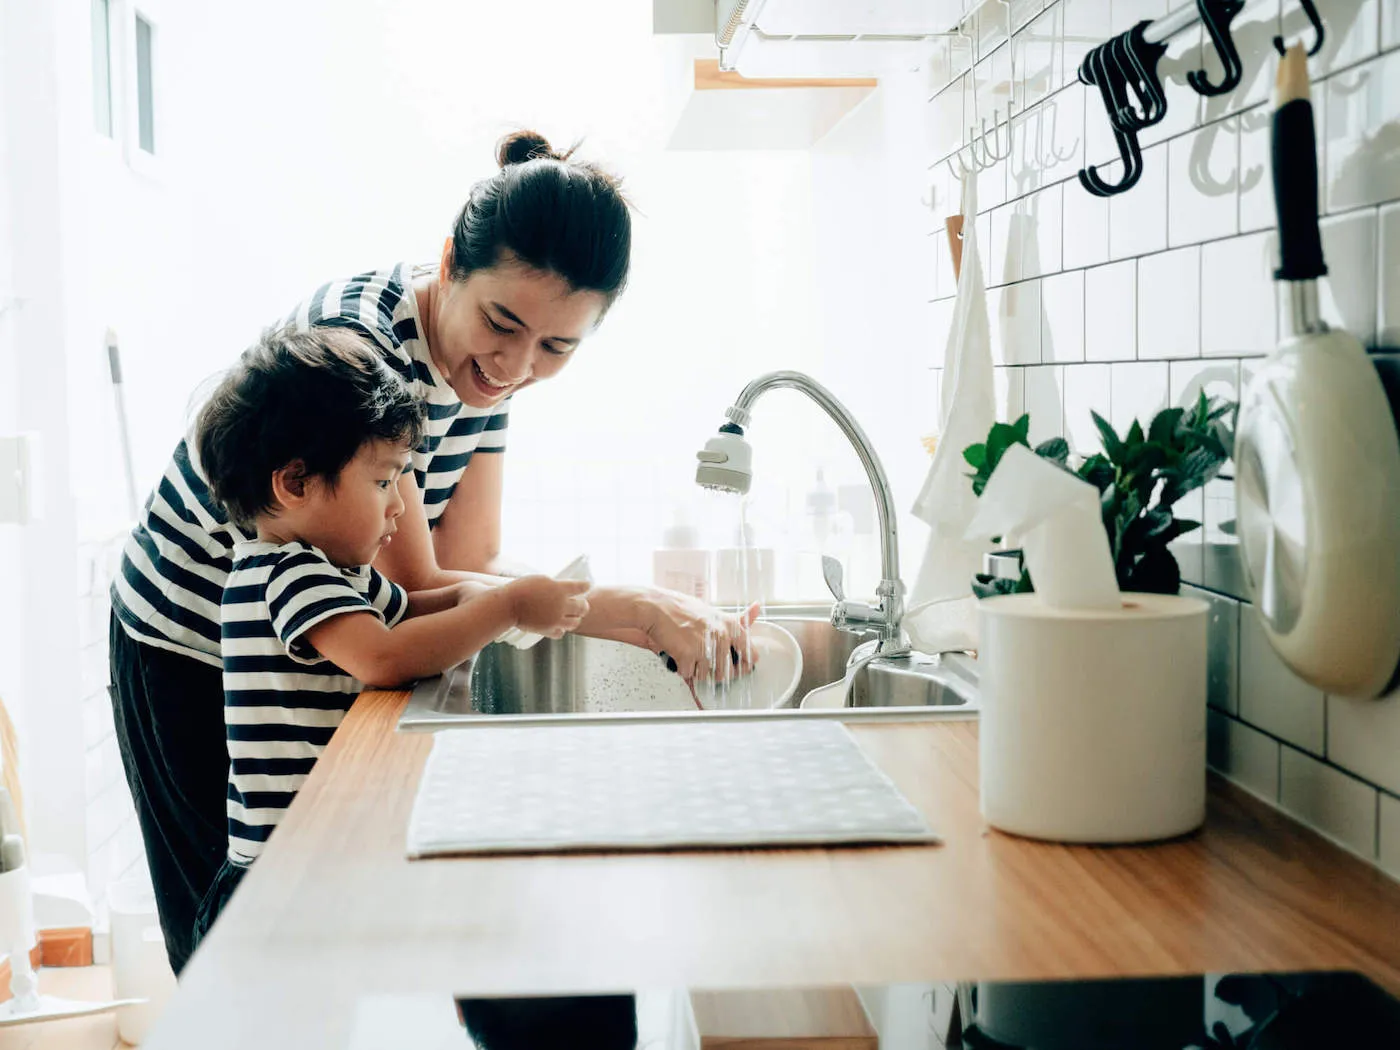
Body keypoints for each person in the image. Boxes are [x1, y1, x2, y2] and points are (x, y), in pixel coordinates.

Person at [109, 130, 756, 974]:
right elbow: (412, 581)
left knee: (289, 959)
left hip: (311, 644)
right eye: (504, 322)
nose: (518, 364)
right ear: (450, 260)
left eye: (558, 348)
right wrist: (629, 609)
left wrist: (630, 620)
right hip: (192, 642)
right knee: (225, 962)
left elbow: (468, 554)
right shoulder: (367, 362)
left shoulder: (488, 370)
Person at [188, 326, 592, 947]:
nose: (400, 508)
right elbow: (383, 655)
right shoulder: (283, 571)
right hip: (281, 881)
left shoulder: (330, 571)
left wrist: (465, 596)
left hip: (313, 861)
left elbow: (404, 612)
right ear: (294, 483)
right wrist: (505, 604)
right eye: (383, 483)